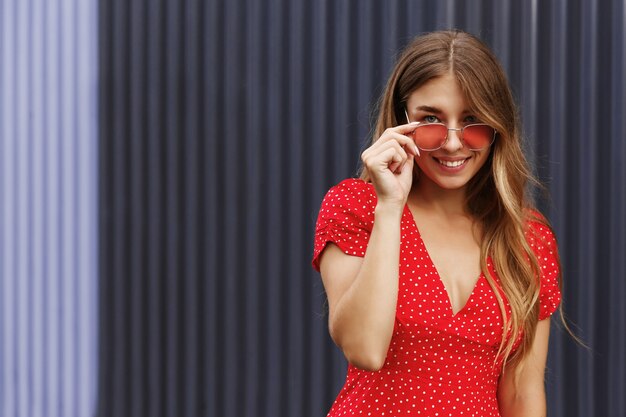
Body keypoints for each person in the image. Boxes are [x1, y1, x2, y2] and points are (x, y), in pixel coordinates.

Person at [312, 30, 563, 416]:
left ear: (498, 128)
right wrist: (390, 207)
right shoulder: (357, 207)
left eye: (472, 120)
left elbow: (523, 394)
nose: (451, 143)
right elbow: (364, 349)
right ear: (402, 121)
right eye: (430, 119)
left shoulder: (527, 236)